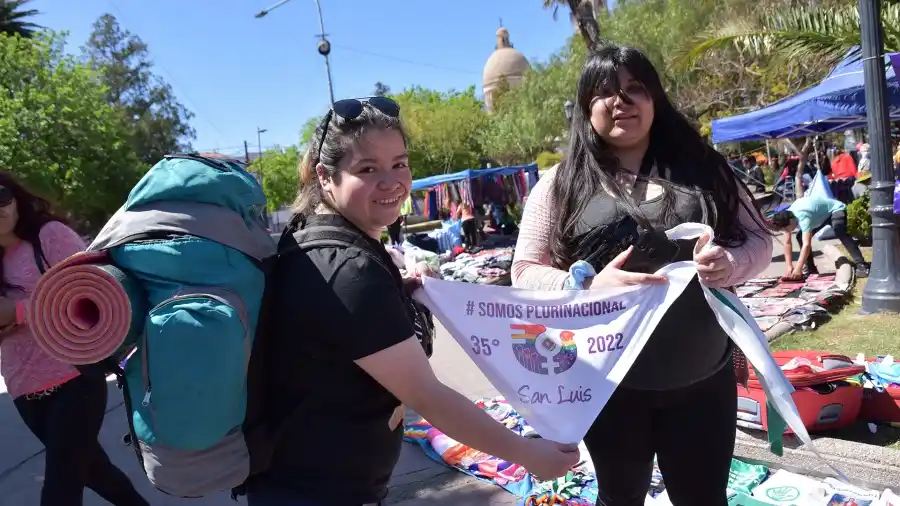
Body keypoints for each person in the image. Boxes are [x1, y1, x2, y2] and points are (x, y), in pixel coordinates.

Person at [245, 97, 579, 506]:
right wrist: (528, 455)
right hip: (320, 492)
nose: (392, 182)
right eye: (367, 169)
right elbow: (429, 397)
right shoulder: (347, 269)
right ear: (324, 177)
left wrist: (395, 293)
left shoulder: (318, 243)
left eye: (399, 163)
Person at [511, 46, 773, 506]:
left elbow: (760, 241)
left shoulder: (706, 169)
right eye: (606, 92)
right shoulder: (558, 184)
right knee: (619, 498)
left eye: (636, 89)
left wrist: (731, 265)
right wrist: (586, 285)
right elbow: (524, 270)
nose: (622, 101)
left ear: (655, 99)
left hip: (702, 380)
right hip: (607, 386)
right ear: (585, 107)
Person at [0, 172, 149, 506]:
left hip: (75, 377)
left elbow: (92, 293)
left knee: (60, 485)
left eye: (1, 196)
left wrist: (19, 313)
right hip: (24, 387)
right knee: (96, 473)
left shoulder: (49, 237)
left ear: (16, 197)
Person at [770, 194, 870, 279]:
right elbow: (787, 243)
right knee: (800, 236)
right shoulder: (787, 215)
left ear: (791, 221)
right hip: (820, 216)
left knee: (839, 231)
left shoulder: (803, 216)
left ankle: (861, 264)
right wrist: (789, 266)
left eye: (787, 229)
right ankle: (811, 269)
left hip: (835, 210)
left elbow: (806, 245)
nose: (788, 232)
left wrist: (798, 268)